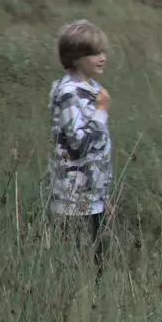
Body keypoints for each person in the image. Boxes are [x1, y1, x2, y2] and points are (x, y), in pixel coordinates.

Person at [48, 19, 113, 274]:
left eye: (103, 51)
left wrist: (104, 194)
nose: (102, 58)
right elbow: (78, 144)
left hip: (92, 195)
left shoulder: (92, 88)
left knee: (97, 263)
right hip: (73, 198)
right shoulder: (69, 93)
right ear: (76, 58)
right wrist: (101, 112)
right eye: (94, 53)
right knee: (80, 267)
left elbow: (99, 150)